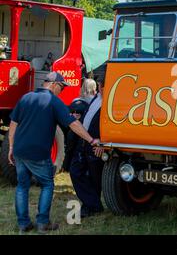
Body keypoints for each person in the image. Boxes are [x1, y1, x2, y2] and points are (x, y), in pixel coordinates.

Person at [8, 72, 100, 234]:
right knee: (47, 184)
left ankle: (24, 224)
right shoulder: (53, 101)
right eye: (62, 87)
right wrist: (91, 140)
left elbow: (13, 124)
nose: (62, 91)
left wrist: (10, 147)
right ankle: (43, 222)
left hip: (19, 150)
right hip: (38, 152)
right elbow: (73, 124)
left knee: (22, 186)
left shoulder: (26, 98)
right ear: (55, 84)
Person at [70, 73, 105, 218]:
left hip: (96, 144)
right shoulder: (96, 99)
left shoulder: (109, 102)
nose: (98, 89)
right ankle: (93, 204)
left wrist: (103, 144)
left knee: (94, 177)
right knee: (75, 171)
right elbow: (89, 116)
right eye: (98, 86)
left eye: (100, 86)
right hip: (85, 141)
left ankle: (91, 206)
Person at [61, 99, 89, 172]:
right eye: (73, 113)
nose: (75, 114)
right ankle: (66, 166)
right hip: (75, 129)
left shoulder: (84, 104)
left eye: (78, 113)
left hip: (81, 129)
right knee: (70, 146)